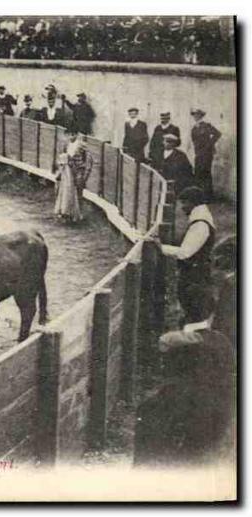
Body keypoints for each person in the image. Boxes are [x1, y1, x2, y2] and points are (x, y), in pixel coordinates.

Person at [135, 234, 235, 467]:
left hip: (210, 385)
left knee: (151, 411)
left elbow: (222, 331)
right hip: (223, 385)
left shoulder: (231, 286)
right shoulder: (231, 288)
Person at [161, 186, 216, 326]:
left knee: (193, 313)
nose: (182, 208)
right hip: (196, 275)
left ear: (193, 203)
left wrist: (160, 247)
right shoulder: (201, 218)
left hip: (195, 277)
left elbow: (185, 252)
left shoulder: (200, 224)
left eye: (184, 203)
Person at [189, 108, 222, 200]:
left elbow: (217, 134)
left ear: (201, 115)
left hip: (207, 154)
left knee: (206, 173)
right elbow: (194, 141)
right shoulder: (194, 128)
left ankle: (208, 196)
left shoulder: (206, 126)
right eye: (194, 115)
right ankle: (200, 195)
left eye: (197, 115)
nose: (195, 116)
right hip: (198, 153)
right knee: (198, 172)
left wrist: (209, 145)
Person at [65, 128, 93, 202]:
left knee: (78, 190)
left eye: (73, 134)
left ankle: (78, 210)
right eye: (69, 135)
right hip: (70, 170)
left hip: (79, 170)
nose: (71, 137)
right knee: (69, 191)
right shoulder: (67, 144)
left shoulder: (81, 144)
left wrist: (86, 173)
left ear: (77, 135)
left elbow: (89, 158)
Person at [53, 152, 81, 222]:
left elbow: (58, 176)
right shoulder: (70, 167)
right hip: (69, 185)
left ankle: (64, 214)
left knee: (64, 198)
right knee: (68, 198)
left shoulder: (64, 167)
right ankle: (67, 215)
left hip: (65, 185)